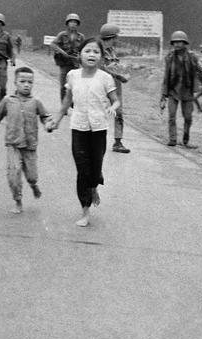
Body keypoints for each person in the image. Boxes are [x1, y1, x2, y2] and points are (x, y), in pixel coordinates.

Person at [49, 38, 120, 227]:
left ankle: (94, 185)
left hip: (99, 128)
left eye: (96, 52)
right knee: (82, 169)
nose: (91, 55)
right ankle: (85, 210)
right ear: (80, 54)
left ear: (101, 57)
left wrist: (113, 107)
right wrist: (56, 119)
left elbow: (116, 100)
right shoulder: (72, 75)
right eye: (87, 51)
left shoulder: (105, 78)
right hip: (78, 127)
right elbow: (67, 101)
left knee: (95, 169)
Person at [0, 67, 53, 214]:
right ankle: (18, 200)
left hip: (30, 145)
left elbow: (45, 116)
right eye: (22, 81)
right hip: (13, 144)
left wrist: (48, 125)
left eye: (30, 82)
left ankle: (33, 185)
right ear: (15, 82)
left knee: (32, 176)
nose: (26, 85)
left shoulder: (36, 102)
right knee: (13, 175)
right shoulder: (7, 101)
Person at [160, 31, 202, 148]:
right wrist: (163, 96)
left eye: (180, 42)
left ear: (184, 43)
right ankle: (172, 139)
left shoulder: (193, 57)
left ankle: (186, 138)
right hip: (173, 91)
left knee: (188, 117)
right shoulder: (169, 58)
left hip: (187, 91)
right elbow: (166, 77)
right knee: (171, 116)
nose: (177, 44)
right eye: (175, 42)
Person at [99, 23, 131, 153]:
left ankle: (118, 142)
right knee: (99, 113)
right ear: (111, 37)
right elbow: (101, 68)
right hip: (102, 85)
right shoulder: (99, 50)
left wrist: (122, 73)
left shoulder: (112, 51)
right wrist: (118, 75)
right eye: (115, 37)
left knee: (119, 113)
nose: (117, 39)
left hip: (115, 85)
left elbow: (115, 66)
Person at [50, 13, 85, 103]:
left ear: (78, 24)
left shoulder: (81, 37)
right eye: (71, 22)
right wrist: (62, 52)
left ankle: (73, 103)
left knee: (75, 85)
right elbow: (53, 44)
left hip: (75, 64)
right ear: (67, 23)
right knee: (63, 85)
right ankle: (63, 105)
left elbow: (84, 49)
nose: (73, 24)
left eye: (75, 22)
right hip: (64, 63)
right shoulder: (62, 35)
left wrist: (80, 56)